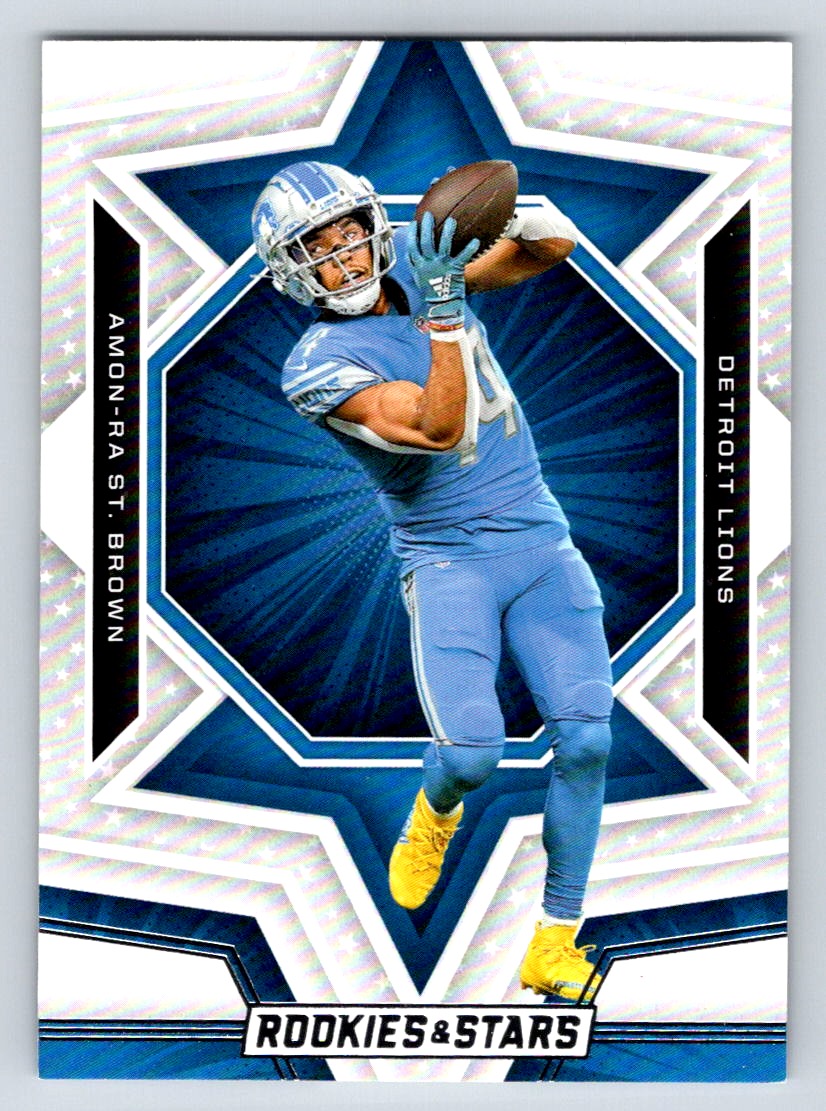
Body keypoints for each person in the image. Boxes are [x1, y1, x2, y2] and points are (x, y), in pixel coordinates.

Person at [252, 161, 613, 1001]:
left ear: (373, 227)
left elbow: (550, 249)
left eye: (350, 234)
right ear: (291, 270)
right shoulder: (315, 363)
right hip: (449, 557)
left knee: (589, 741)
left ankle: (554, 938)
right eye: (318, 247)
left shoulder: (419, 275)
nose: (344, 257)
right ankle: (435, 813)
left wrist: (498, 228)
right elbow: (437, 427)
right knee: (473, 754)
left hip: (540, 536)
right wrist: (447, 307)